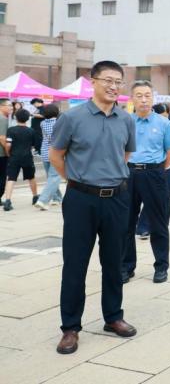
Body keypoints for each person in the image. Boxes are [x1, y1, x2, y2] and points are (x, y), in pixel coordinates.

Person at [51, 60, 138, 355]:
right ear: (93, 82)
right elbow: (56, 155)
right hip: (81, 200)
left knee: (114, 262)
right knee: (75, 264)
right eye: (108, 80)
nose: (113, 86)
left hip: (117, 198)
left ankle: (113, 317)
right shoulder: (72, 118)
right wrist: (79, 181)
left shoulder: (126, 119)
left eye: (118, 81)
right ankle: (70, 327)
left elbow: (125, 155)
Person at [121, 82, 170, 285]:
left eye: (147, 95)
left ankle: (161, 266)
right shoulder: (125, 121)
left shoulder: (164, 123)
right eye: (139, 96)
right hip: (129, 174)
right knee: (126, 223)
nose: (144, 100)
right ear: (132, 99)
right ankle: (126, 267)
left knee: (158, 222)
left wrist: (158, 169)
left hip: (154, 174)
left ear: (153, 98)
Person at [3, 109, 39, 210]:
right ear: (27, 119)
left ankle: (7, 201)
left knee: (11, 178)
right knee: (31, 177)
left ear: (15, 117)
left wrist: (8, 153)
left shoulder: (11, 130)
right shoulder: (31, 131)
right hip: (27, 157)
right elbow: (33, 145)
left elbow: (8, 144)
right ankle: (35, 197)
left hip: (14, 157)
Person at [34, 103, 63, 210]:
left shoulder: (42, 123)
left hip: (45, 152)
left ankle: (57, 198)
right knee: (54, 177)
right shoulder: (59, 123)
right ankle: (43, 200)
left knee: (51, 177)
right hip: (56, 152)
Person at [0, 99, 11, 204]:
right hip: (1, 154)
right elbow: (2, 137)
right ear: (1, 106)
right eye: (9, 105)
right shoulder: (3, 119)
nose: (11, 107)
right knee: (2, 177)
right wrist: (8, 152)